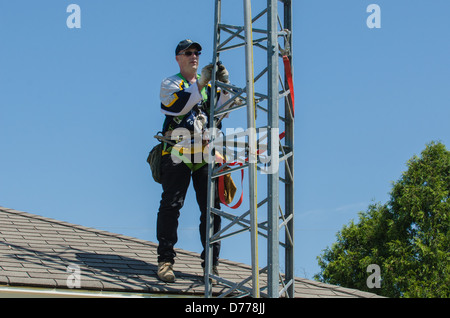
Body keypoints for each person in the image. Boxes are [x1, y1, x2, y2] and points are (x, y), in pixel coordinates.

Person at [156, 39, 230, 283]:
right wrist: (202, 82)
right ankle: (165, 261)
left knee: (211, 210)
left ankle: (211, 264)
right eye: (188, 53)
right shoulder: (171, 83)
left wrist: (224, 84)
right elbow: (177, 106)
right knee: (172, 205)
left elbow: (225, 109)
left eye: (197, 52)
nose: (194, 56)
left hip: (204, 152)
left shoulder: (208, 87)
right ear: (178, 57)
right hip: (177, 150)